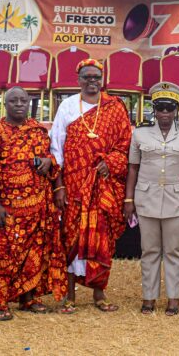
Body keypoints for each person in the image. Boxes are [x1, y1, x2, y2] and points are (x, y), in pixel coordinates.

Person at [49, 58, 132, 314]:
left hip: (103, 185)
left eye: (96, 77)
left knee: (102, 238)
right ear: (79, 80)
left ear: (102, 79)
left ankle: (99, 294)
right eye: (87, 77)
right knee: (71, 237)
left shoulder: (115, 106)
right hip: (74, 185)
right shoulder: (68, 106)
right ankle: (70, 296)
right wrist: (59, 186)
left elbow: (125, 144)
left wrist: (110, 162)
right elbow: (56, 147)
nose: (92, 81)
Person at [0, 87, 66, 321]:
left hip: (38, 204)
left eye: (23, 100)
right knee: (5, 255)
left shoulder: (38, 130)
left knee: (34, 253)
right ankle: (2, 303)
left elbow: (51, 159)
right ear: (5, 104)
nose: (19, 104)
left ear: (28, 103)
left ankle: (30, 298)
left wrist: (48, 162)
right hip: (6, 206)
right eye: (13, 100)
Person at [123, 82, 179, 316]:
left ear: (176, 110)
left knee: (174, 250)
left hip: (177, 200)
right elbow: (133, 168)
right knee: (149, 250)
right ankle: (149, 297)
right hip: (146, 198)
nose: (165, 113)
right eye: (160, 108)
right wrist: (129, 200)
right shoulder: (139, 133)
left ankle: (173, 298)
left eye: (169, 108)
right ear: (154, 110)